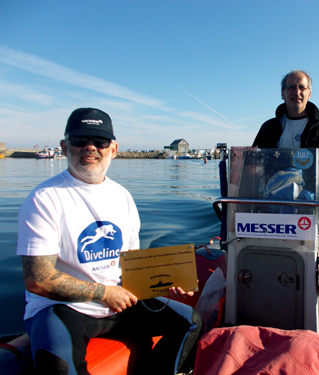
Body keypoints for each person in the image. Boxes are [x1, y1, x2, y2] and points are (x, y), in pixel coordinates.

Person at [17, 108, 201, 375]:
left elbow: (131, 265)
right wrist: (104, 293)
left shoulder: (122, 197)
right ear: (63, 146)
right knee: (59, 366)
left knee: (190, 321)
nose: (90, 147)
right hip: (63, 307)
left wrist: (166, 283)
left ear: (113, 149)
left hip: (119, 301)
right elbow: (38, 279)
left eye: (100, 142)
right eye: (80, 140)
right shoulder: (44, 198)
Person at [253, 70, 319, 189]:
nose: (297, 92)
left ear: (309, 94)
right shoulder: (268, 127)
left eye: (302, 87)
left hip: (311, 200)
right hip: (273, 197)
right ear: (283, 93)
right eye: (291, 87)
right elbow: (253, 165)